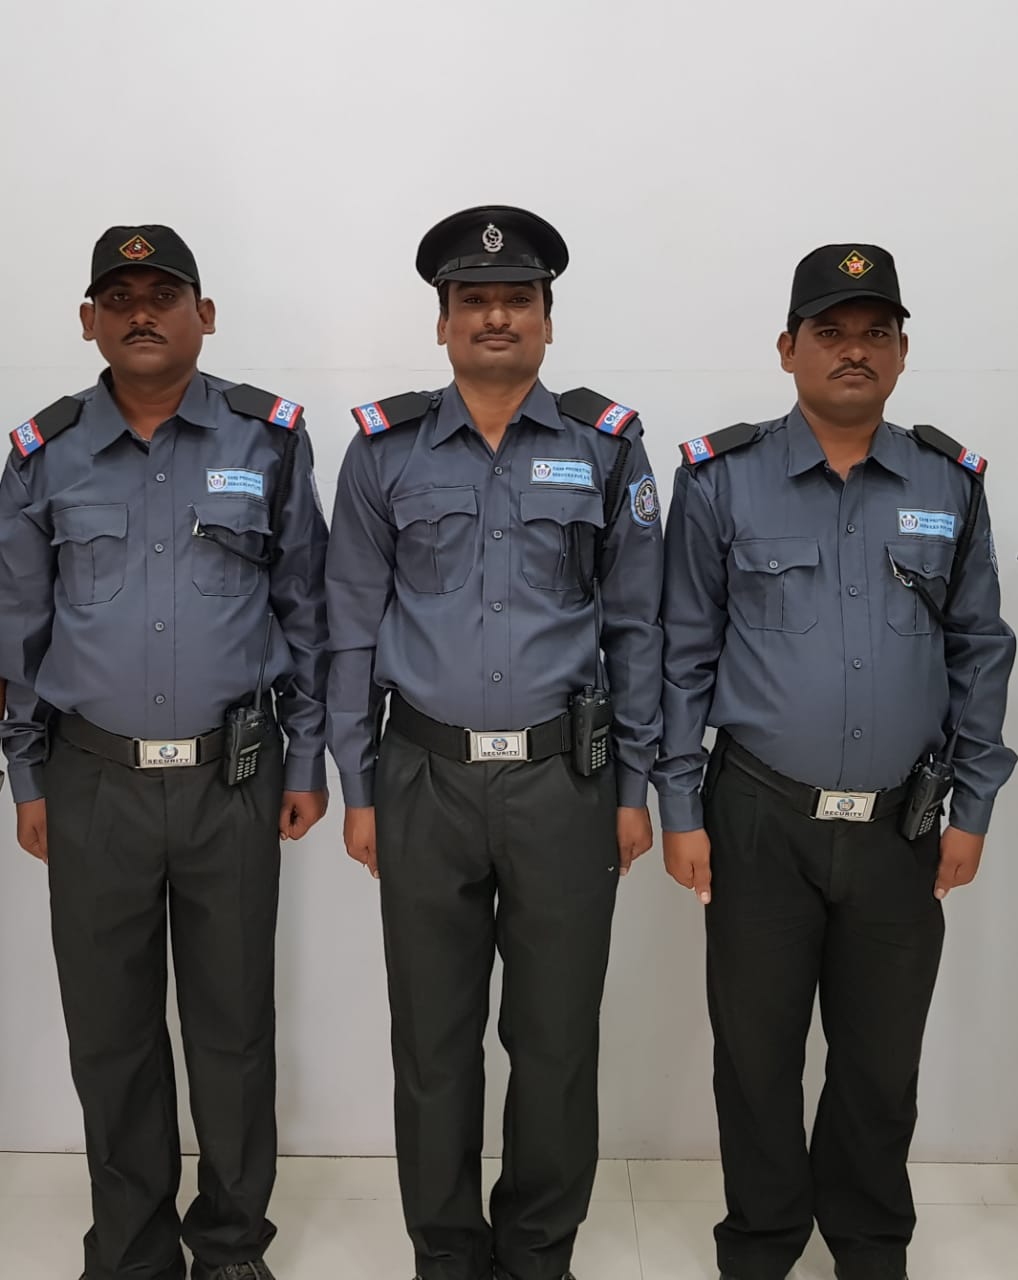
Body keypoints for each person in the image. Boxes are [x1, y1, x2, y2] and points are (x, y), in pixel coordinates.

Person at [654, 243, 1016, 1280]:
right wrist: (680, 804)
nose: (854, 349)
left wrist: (973, 803)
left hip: (904, 822)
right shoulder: (720, 480)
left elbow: (980, 648)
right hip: (757, 815)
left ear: (901, 350)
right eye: (830, 331)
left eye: (875, 331)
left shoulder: (947, 482)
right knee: (756, 1053)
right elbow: (682, 653)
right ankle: (762, 1242)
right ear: (788, 348)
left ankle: (868, 1243)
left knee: (880, 1059)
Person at [326, 205, 663, 1280]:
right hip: (421, 777)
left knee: (555, 1040)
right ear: (443, 323)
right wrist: (358, 787)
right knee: (432, 1041)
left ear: (548, 320)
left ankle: (537, 1252)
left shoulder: (608, 445)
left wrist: (634, 788)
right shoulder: (381, 451)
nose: (496, 316)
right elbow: (349, 627)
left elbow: (637, 628)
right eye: (474, 301)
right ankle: (444, 1251)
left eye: (518, 298)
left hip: (566, 778)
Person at [0, 225, 330, 1280]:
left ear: (205, 313)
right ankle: (133, 1250)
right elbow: (16, 631)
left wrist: (308, 761)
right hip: (89, 782)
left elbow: (307, 609)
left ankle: (230, 1244)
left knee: (233, 1029)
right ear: (88, 320)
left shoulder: (268, 439)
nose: (140, 311)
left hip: (234, 779)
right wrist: (26, 774)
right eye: (119, 296)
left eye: (163, 293)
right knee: (111, 1034)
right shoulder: (42, 454)